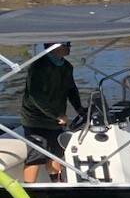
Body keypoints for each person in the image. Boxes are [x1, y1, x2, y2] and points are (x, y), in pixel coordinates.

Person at [20, 42, 83, 183]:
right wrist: (56, 114)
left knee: (56, 153)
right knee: (36, 155)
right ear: (52, 46)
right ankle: (29, 191)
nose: (70, 47)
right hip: (35, 120)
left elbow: (71, 89)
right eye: (66, 44)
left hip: (55, 121)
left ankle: (57, 184)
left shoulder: (67, 66)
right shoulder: (39, 66)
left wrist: (79, 108)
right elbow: (35, 95)